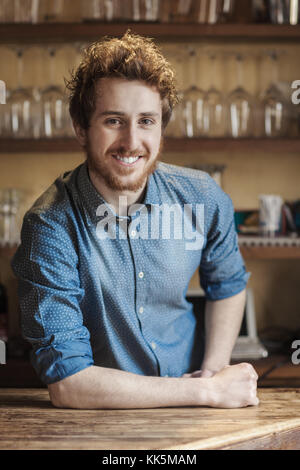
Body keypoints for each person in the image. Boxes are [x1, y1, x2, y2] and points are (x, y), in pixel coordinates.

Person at [12, 31, 259, 410]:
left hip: (196, 413)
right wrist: (207, 392)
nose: (131, 141)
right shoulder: (49, 226)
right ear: (81, 127)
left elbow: (228, 284)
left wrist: (213, 373)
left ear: (161, 128)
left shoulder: (202, 197)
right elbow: (69, 384)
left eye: (146, 121)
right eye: (114, 120)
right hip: (98, 418)